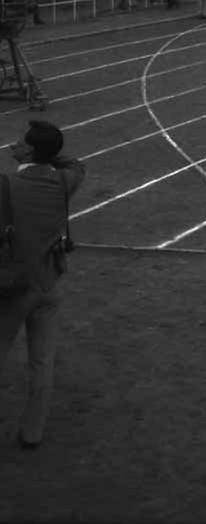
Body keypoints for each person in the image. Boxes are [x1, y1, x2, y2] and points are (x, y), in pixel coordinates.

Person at [0, 120, 85, 450]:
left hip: (13, 287)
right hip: (49, 283)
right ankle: (32, 432)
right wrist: (47, 156)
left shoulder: (7, 185)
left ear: (30, 149)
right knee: (42, 361)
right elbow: (76, 163)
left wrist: (27, 161)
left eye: (22, 143)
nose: (15, 145)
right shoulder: (64, 181)